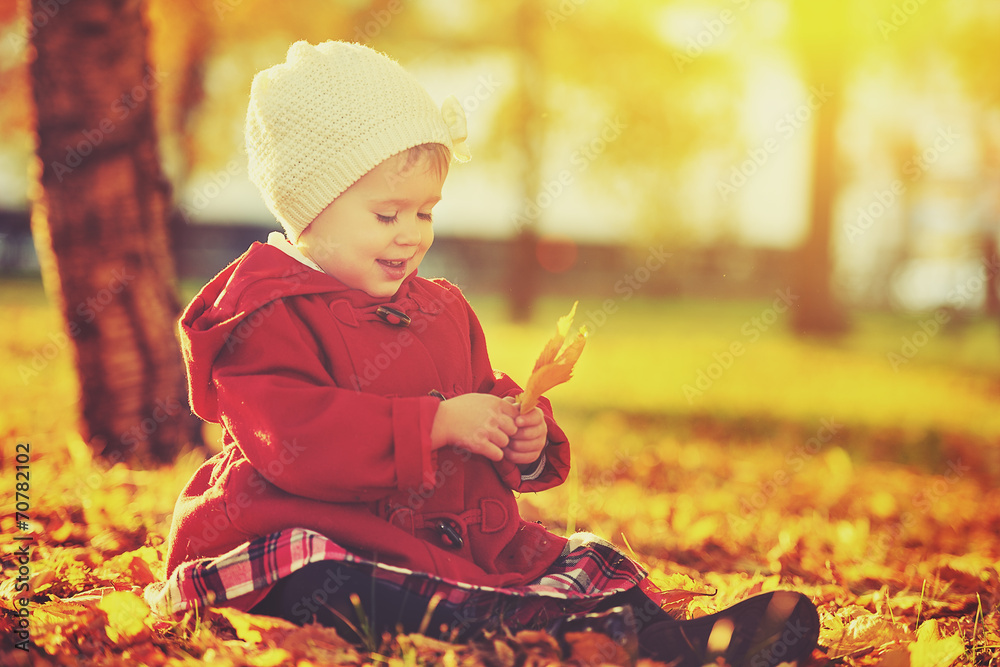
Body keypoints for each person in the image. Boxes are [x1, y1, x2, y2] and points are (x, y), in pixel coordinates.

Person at [145, 40, 820, 666]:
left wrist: (516, 435)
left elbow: (479, 396)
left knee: (578, 555)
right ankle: (548, 635)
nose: (412, 234)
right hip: (309, 533)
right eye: (388, 214)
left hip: (444, 547)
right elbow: (295, 435)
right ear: (309, 208)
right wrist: (433, 424)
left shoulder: (440, 310)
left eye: (427, 211)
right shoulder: (266, 314)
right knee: (323, 576)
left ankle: (664, 636)